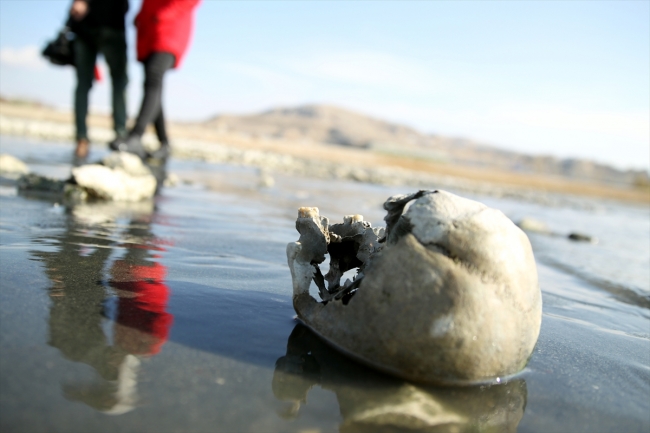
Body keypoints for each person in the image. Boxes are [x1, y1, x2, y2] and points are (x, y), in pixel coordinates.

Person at [110, 0, 201, 160]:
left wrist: (164, 15)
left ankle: (136, 136)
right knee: (153, 86)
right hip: (149, 32)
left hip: (169, 31)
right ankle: (164, 144)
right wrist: (140, 17)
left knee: (154, 79)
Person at [69, 0, 129, 159]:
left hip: (105, 23)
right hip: (98, 26)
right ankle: (119, 137)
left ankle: (84, 139)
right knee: (118, 83)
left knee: (88, 84)